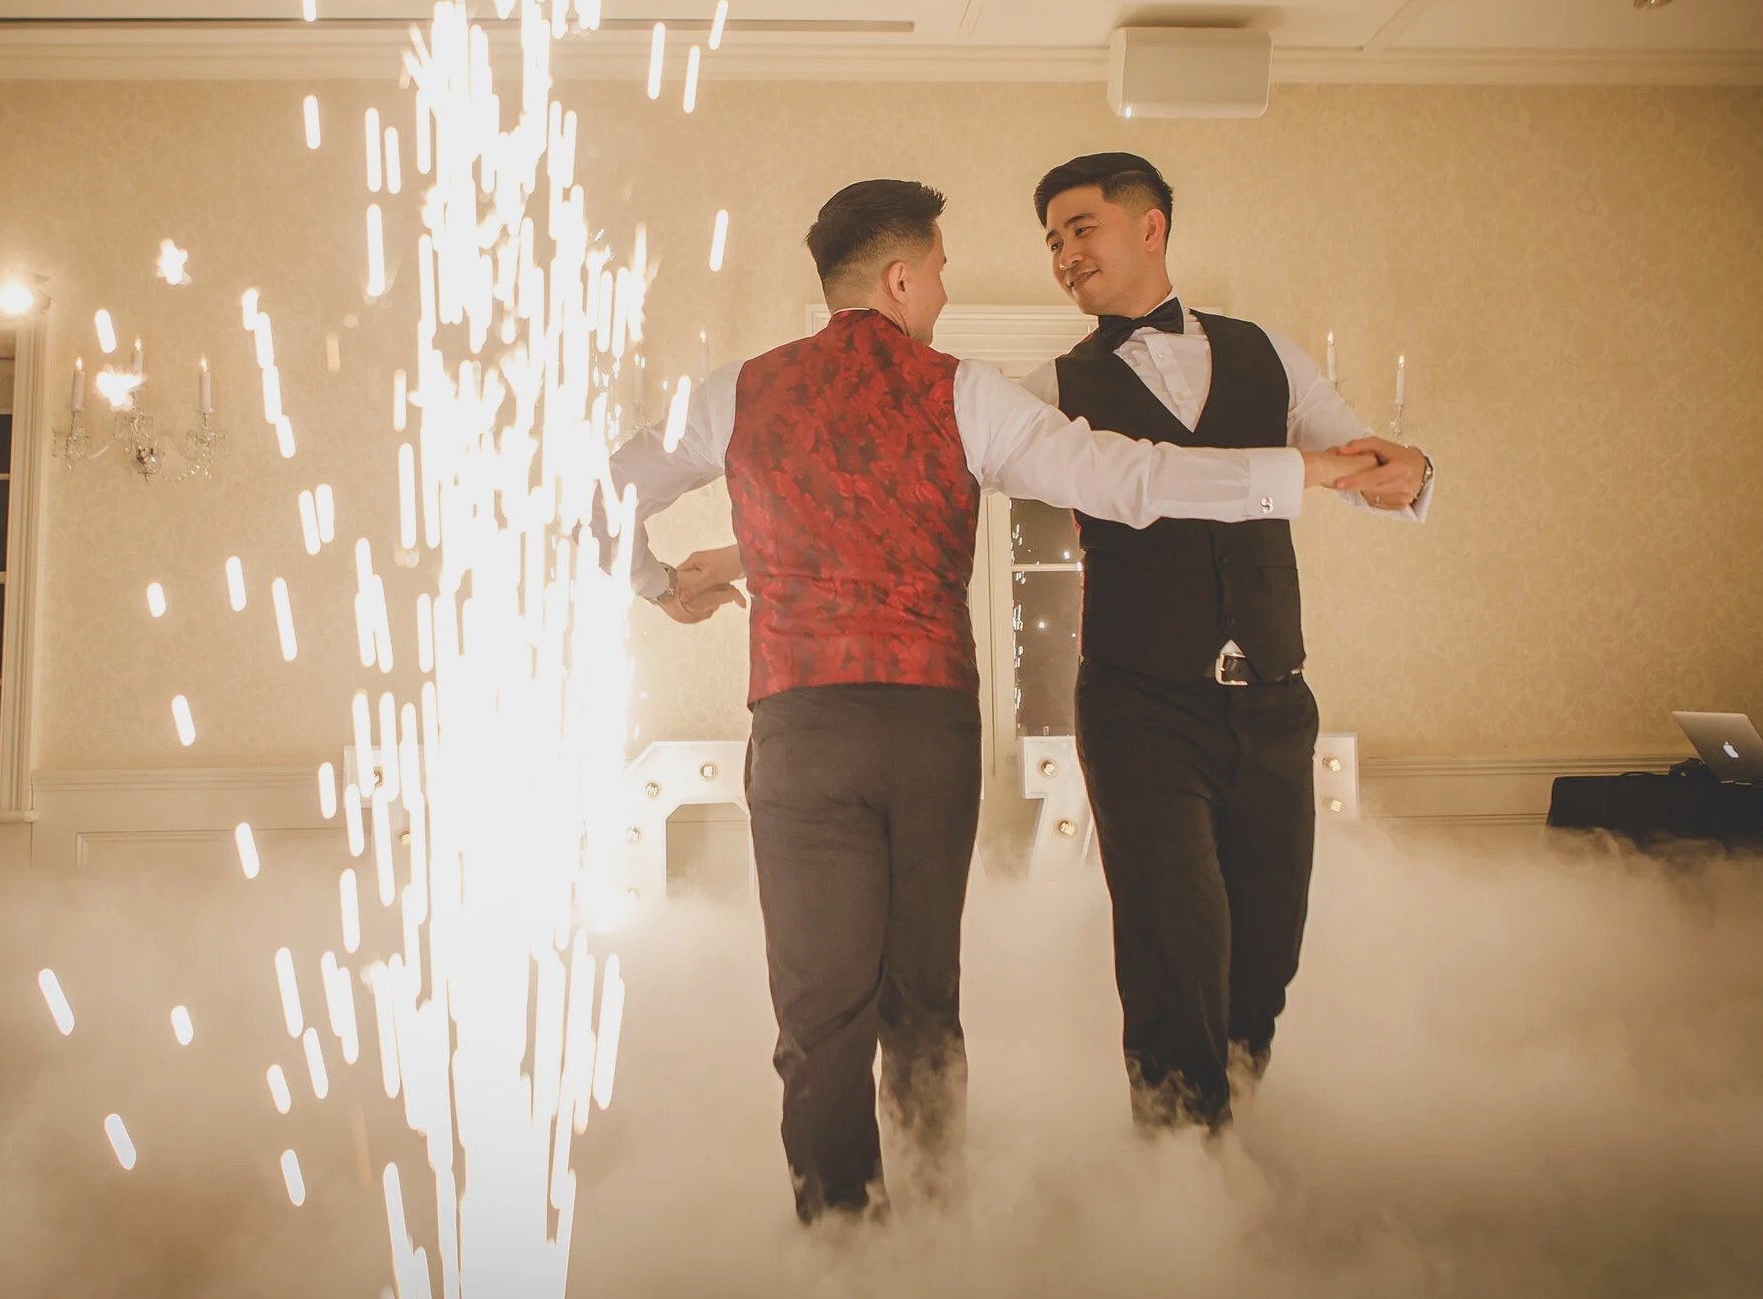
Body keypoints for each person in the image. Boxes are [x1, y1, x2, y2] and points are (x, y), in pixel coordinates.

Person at [611, 178, 1377, 1223]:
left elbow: (597, 494)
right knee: (921, 1000)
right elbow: (1131, 479)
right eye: (934, 273)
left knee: (816, 1011)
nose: (939, 293)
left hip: (800, 730)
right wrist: (1306, 476)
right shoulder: (965, 392)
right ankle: (934, 1234)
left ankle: (840, 1239)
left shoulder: (732, 392)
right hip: (927, 731)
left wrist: (660, 588)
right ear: (896, 278)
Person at [1023, 150, 1433, 1133]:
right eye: (1050, 242)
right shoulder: (1046, 385)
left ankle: (1226, 1136)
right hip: (1136, 705)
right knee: (1174, 947)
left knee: (1265, 955)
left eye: (1080, 228)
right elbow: (935, 484)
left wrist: (1413, 470)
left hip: (1274, 704)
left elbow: (1366, 465)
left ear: (1150, 225)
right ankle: (1176, 1183)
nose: (1063, 255)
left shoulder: (1269, 355)